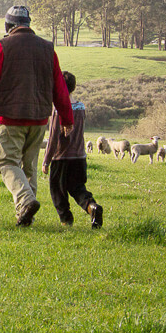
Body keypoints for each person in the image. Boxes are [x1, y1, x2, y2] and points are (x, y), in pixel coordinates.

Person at [0, 5, 74, 227]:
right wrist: (67, 119)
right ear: (28, 24)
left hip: (11, 117)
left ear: (8, 25)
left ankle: (26, 200)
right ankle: (25, 216)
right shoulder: (47, 48)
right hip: (40, 118)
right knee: (29, 167)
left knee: (7, 163)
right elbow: (59, 88)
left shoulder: (4, 46)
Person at [41, 71, 103, 228]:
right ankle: (92, 207)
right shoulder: (81, 107)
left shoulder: (57, 109)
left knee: (57, 191)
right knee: (78, 188)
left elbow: (54, 137)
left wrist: (46, 161)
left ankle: (66, 221)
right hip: (80, 156)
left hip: (61, 157)